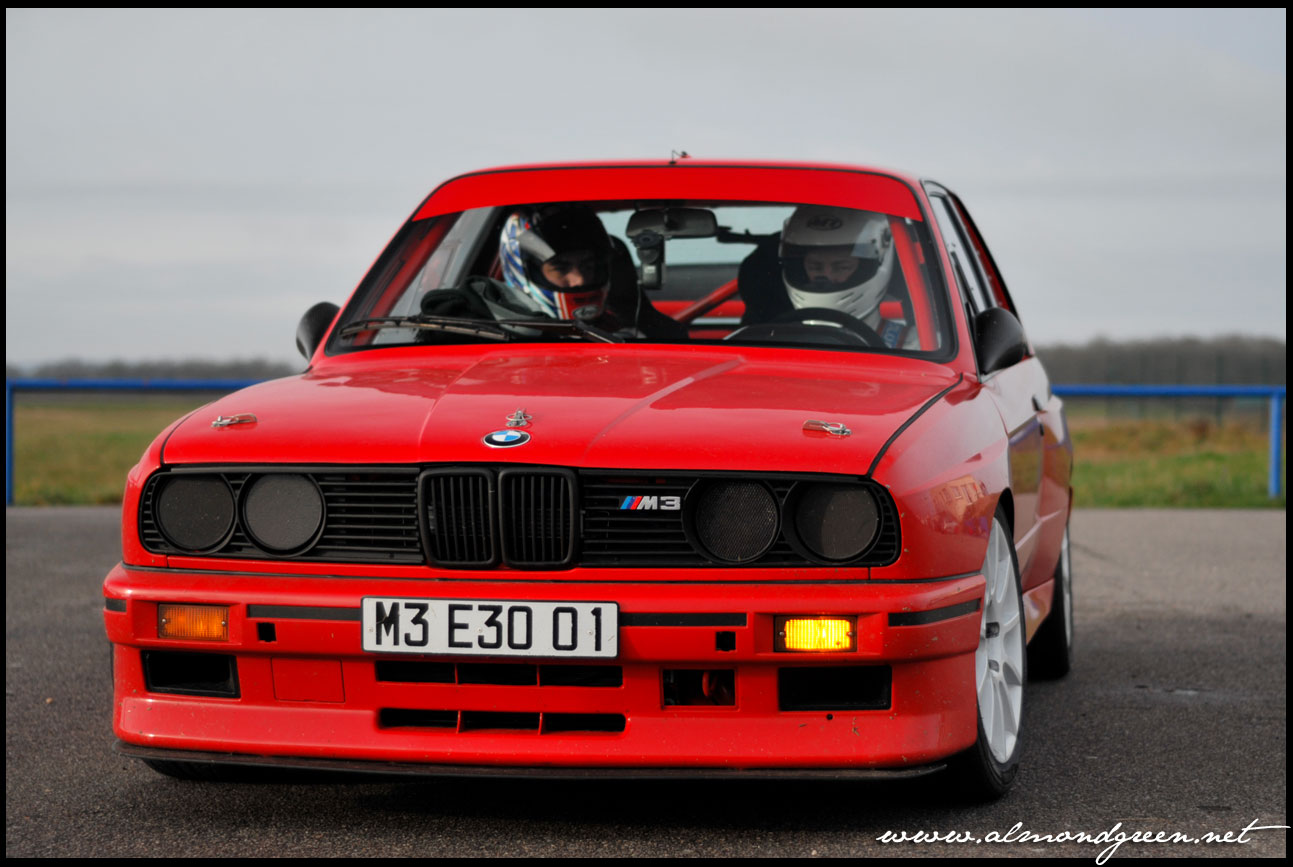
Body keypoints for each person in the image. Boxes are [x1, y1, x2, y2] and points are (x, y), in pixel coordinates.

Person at [423, 203, 685, 340]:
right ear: (523, 270)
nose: (579, 280)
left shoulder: (637, 335)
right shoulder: (483, 333)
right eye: (561, 268)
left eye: (589, 266)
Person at [739, 205, 917, 349]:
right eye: (815, 267)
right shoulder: (765, 343)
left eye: (841, 267)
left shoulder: (913, 347)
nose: (826, 277)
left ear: (873, 264)